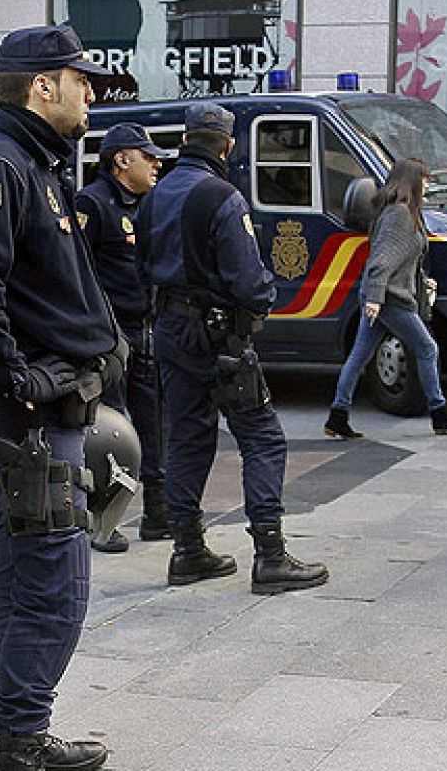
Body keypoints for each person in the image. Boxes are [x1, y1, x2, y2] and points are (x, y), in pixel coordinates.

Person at [0, 24, 121, 771]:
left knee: (21, 570)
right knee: (56, 584)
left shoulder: (39, 165)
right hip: (35, 416)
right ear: (42, 85)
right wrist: (21, 379)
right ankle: (17, 743)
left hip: (52, 404)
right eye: (81, 78)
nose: (91, 92)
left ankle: (18, 734)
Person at [137, 102, 328, 594]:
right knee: (263, 438)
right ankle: (270, 555)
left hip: (170, 332)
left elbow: (141, 266)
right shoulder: (223, 197)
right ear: (228, 145)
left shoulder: (153, 197)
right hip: (220, 337)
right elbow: (248, 280)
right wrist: (265, 295)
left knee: (185, 437)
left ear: (184, 142)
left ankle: (187, 549)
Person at [323, 157, 447, 439]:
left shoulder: (396, 211)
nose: (428, 186)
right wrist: (376, 298)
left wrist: (417, 280)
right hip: (390, 300)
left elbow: (398, 258)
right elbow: (381, 260)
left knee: (359, 356)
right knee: (427, 348)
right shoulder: (400, 215)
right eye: (425, 180)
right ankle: (439, 412)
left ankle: (338, 415)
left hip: (382, 296)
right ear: (412, 182)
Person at [76, 122, 174, 549]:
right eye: (146, 156)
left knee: (153, 426)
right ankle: (104, 521)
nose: (156, 164)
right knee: (110, 432)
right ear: (121, 160)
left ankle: (158, 512)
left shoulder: (145, 205)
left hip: (145, 330)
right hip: (107, 338)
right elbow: (77, 273)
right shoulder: (92, 204)